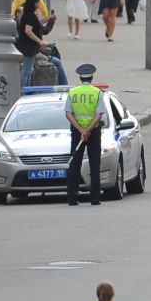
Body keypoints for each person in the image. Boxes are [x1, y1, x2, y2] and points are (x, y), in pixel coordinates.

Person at [61, 66, 104, 208]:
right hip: (93, 131)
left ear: (80, 78)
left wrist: (80, 130)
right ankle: (95, 198)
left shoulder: (72, 92)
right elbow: (99, 115)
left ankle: (72, 198)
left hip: (77, 132)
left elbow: (68, 113)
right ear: (92, 78)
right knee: (94, 163)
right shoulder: (97, 93)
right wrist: (88, 129)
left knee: (74, 163)